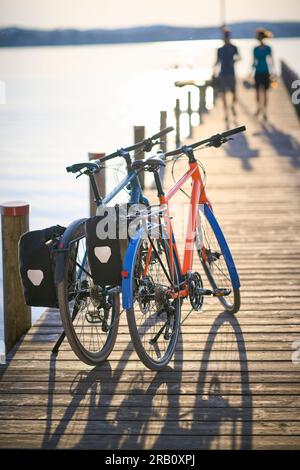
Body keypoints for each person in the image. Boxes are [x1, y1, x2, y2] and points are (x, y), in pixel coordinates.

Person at [215, 28, 240, 122]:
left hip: (231, 73)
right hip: (223, 74)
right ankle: (226, 113)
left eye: (227, 36)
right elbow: (217, 61)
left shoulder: (234, 47)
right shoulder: (220, 49)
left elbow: (239, 57)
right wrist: (213, 69)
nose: (225, 38)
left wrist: (234, 60)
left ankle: (232, 106)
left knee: (234, 93)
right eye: (224, 36)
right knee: (223, 94)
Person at [253, 28, 274, 121]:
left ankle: (265, 111)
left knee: (265, 93)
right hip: (257, 72)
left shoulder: (268, 48)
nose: (260, 39)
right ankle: (259, 108)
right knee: (257, 92)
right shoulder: (255, 49)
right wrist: (249, 73)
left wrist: (273, 73)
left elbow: (271, 61)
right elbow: (253, 62)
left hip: (266, 72)